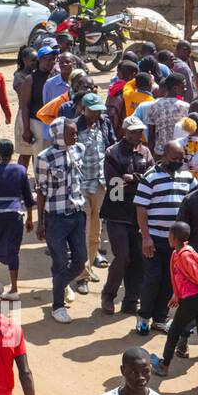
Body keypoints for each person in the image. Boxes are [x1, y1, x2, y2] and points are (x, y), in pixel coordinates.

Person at [150, 222, 198, 395]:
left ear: (173, 237)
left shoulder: (184, 256)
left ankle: (164, 365)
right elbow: (181, 278)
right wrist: (176, 295)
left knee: (174, 330)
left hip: (195, 300)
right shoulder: (181, 252)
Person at [134, 141, 195, 336]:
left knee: (170, 281)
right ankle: (143, 317)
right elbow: (141, 209)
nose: (178, 162)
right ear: (164, 155)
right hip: (154, 238)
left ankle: (160, 318)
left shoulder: (187, 177)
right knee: (153, 278)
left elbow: (194, 200)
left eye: (181, 159)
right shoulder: (150, 177)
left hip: (176, 242)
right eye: (174, 159)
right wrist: (146, 238)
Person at [34, 117, 89, 322]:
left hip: (76, 214)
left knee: (80, 260)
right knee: (59, 261)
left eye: (75, 132)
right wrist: (40, 222)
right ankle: (57, 306)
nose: (75, 136)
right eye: (71, 133)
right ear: (58, 135)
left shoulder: (79, 150)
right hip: (55, 218)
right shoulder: (44, 158)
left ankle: (60, 284)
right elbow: (40, 191)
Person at [101, 116, 153, 316]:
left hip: (139, 214)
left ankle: (131, 300)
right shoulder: (112, 153)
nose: (138, 135)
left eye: (140, 131)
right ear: (124, 132)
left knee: (139, 259)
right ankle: (108, 295)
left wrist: (133, 179)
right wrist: (137, 184)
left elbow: (150, 180)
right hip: (117, 214)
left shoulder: (145, 152)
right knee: (122, 256)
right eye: (133, 132)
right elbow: (115, 189)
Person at [0, 140, 35, 301]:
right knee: (13, 251)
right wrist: (30, 218)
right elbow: (28, 198)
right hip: (15, 214)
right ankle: (14, 288)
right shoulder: (21, 170)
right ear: (12, 154)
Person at [76, 91, 114, 281]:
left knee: (95, 234)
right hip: (81, 186)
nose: (96, 115)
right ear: (83, 110)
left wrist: (116, 190)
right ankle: (82, 275)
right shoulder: (74, 128)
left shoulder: (104, 124)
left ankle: (88, 268)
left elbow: (111, 149)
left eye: (99, 111)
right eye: (93, 111)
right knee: (83, 232)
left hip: (100, 185)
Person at [144, 73, 189, 159]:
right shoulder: (185, 107)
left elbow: (151, 135)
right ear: (175, 88)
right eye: (183, 86)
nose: (185, 89)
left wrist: (150, 157)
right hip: (180, 152)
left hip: (160, 152)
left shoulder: (154, 106)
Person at [12, 46, 37, 167]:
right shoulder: (19, 77)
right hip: (25, 116)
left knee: (38, 153)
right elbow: (26, 97)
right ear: (24, 60)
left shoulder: (37, 74)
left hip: (37, 115)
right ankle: (20, 179)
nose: (35, 63)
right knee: (25, 153)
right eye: (32, 60)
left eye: (36, 60)